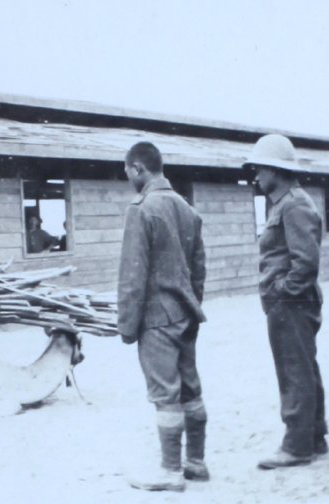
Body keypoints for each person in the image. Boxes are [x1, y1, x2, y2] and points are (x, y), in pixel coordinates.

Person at [118, 141, 208, 492]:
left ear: (138, 168)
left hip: (156, 318)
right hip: (186, 313)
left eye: (127, 171)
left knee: (164, 394)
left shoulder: (141, 210)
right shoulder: (187, 209)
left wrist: (127, 326)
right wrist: (190, 305)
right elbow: (199, 269)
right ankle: (196, 462)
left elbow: (132, 276)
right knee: (191, 388)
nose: (127, 178)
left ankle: (171, 471)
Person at [244, 134, 327, 470]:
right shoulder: (285, 202)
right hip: (290, 302)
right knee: (305, 368)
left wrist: (281, 290)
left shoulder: (293, 204)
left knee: (294, 371)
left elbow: (306, 263)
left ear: (275, 170)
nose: (256, 177)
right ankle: (314, 437)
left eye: (260, 169)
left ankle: (296, 446)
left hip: (291, 304)